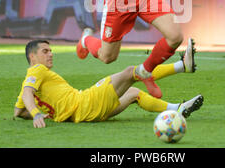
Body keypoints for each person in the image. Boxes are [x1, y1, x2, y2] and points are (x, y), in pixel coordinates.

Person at [13, 40, 203, 127]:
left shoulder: (29, 82)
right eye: (45, 51)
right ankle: (182, 66)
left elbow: (19, 112)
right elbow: (29, 93)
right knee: (130, 72)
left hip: (85, 114)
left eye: (50, 50)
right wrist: (37, 114)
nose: (50, 54)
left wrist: (52, 115)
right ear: (32, 56)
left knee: (133, 93)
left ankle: (177, 109)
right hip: (86, 102)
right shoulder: (37, 70)